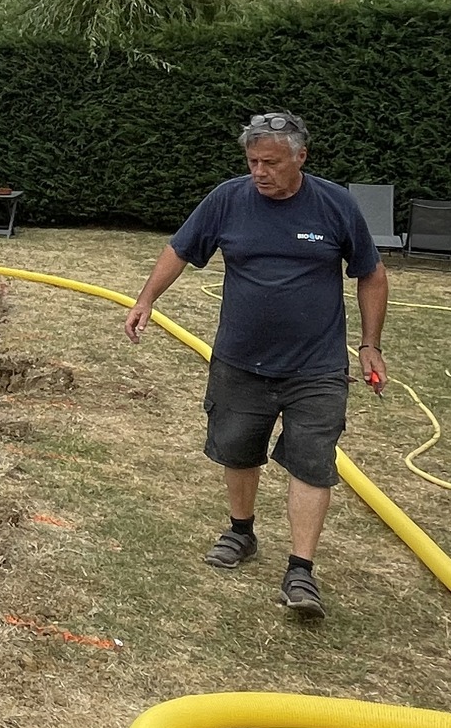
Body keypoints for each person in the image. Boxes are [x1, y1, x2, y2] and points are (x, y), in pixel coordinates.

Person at [123, 111, 387, 620]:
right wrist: (146, 299)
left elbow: (371, 275)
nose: (260, 172)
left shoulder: (335, 205)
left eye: (271, 162)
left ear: (300, 157)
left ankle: (301, 570)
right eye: (253, 161)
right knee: (239, 449)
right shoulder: (228, 198)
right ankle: (241, 533)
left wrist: (370, 344)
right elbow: (179, 249)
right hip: (240, 360)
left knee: (312, 461)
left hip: (317, 367)